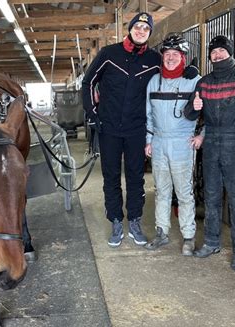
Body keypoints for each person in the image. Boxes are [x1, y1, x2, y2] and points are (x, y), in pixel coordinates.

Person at [82, 13, 199, 248]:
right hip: (109, 129)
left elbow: (170, 71)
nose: (141, 30)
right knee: (111, 177)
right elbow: (88, 82)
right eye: (138, 26)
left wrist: (192, 70)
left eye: (146, 28)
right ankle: (116, 220)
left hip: (137, 129)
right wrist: (93, 115)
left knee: (136, 178)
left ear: (149, 32)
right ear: (131, 28)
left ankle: (134, 220)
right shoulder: (108, 54)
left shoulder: (155, 59)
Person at [184, 35, 235, 270]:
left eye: (221, 50)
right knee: (210, 197)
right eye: (214, 51)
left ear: (230, 53)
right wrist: (193, 107)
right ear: (210, 56)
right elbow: (190, 114)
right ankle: (211, 242)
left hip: (234, 144)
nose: (217, 54)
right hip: (211, 147)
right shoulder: (204, 83)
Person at [143, 33, 202, 256]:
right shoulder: (153, 81)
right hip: (158, 142)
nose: (170, 58)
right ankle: (162, 233)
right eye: (167, 54)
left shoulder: (195, 81)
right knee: (161, 191)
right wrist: (148, 141)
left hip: (182, 143)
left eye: (175, 54)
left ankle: (188, 236)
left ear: (183, 57)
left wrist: (201, 136)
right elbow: (148, 114)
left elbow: (211, 114)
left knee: (184, 192)